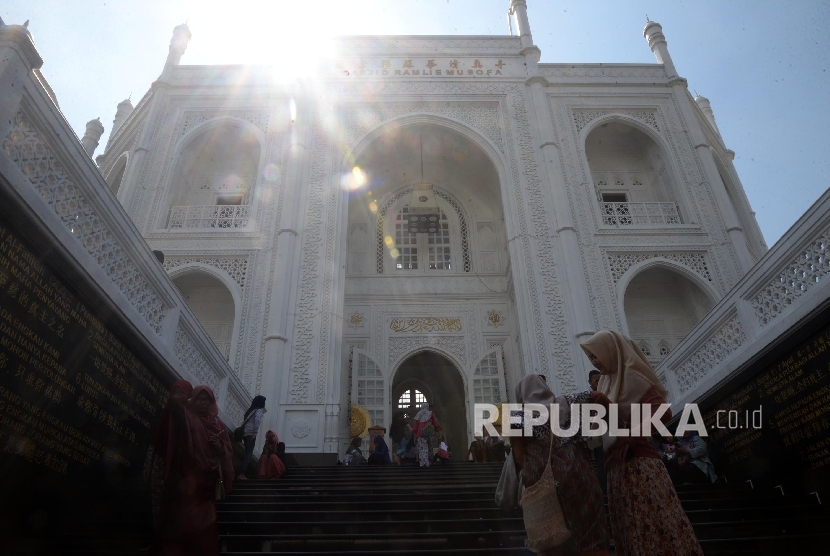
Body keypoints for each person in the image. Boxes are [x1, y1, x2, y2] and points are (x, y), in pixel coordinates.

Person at [581, 330, 703, 556]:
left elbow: (662, 412)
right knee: (632, 532)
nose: (595, 362)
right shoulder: (607, 383)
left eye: (596, 356)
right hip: (617, 470)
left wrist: (632, 437)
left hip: (640, 467)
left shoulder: (632, 378)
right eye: (591, 359)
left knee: (655, 530)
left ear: (610, 351)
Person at [511, 375, 610, 556]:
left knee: (551, 537)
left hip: (542, 482)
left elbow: (518, 456)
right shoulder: (569, 401)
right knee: (590, 532)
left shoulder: (519, 417)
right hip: (578, 474)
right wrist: (619, 424)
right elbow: (598, 396)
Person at [152, 385, 234, 556]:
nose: (203, 403)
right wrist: (181, 397)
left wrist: (219, 448)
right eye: (199, 399)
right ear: (193, 400)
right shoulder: (188, 417)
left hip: (206, 484)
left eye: (207, 400)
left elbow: (227, 451)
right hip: (187, 479)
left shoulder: (217, 424)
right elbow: (174, 407)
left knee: (204, 528)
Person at [145, 380, 193, 526]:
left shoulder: (190, 416)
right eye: (175, 392)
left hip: (180, 467)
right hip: (161, 461)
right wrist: (149, 462)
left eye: (181, 393)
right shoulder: (167, 411)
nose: (177, 396)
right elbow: (156, 438)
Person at [237, 395, 266, 480]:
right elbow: (257, 420)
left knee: (247, 452)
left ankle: (242, 472)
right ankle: (241, 473)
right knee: (248, 454)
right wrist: (255, 432)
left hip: (245, 433)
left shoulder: (250, 410)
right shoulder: (259, 410)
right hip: (250, 433)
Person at [413, 403, 441, 468]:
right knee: (430, 447)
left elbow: (415, 426)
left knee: (422, 447)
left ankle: (424, 463)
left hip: (421, 433)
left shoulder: (418, 414)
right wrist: (438, 432)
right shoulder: (431, 413)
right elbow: (436, 423)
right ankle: (430, 461)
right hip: (430, 432)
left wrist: (415, 433)